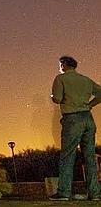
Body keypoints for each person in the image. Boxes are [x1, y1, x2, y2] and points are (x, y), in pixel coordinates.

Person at [49, 56, 101, 201]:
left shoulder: (60, 78)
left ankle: (64, 192)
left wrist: (52, 96)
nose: (60, 67)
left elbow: (58, 98)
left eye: (60, 64)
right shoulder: (86, 80)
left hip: (72, 119)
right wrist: (90, 105)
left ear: (64, 64)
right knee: (90, 157)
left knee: (67, 155)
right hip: (88, 119)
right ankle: (95, 193)